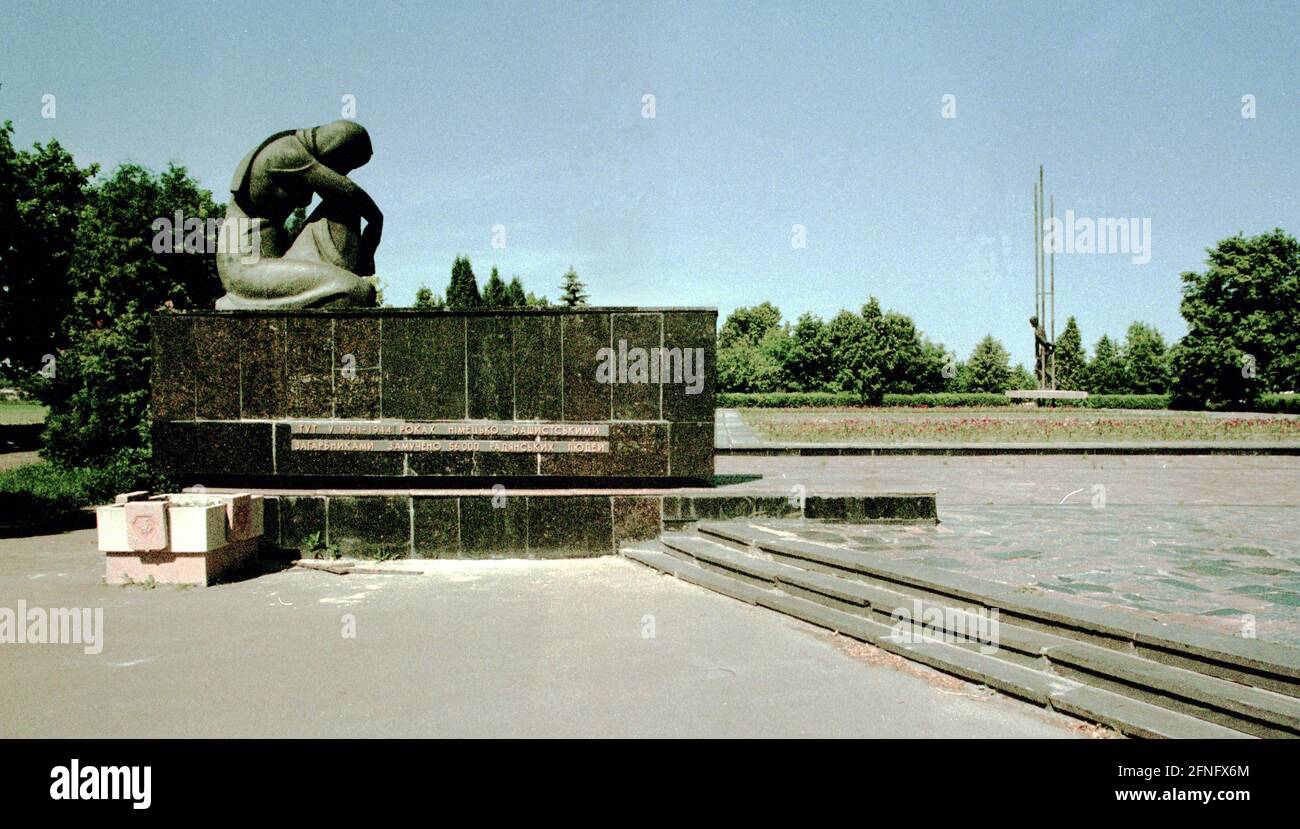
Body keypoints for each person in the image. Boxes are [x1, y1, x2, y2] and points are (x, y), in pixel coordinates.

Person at [214, 120, 381, 309]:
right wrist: (376, 221)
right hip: (246, 265)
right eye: (347, 163)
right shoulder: (287, 153)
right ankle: (237, 301)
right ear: (336, 149)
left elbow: (347, 197)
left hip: (278, 256)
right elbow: (348, 191)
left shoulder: (296, 149)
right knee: (355, 291)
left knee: (344, 207)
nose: (344, 172)